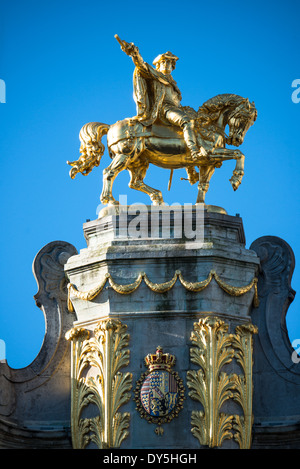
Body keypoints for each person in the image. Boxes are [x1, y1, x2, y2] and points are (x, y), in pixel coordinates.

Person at [115, 35, 207, 161]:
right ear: (158, 65)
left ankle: (190, 170)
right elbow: (141, 65)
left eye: (169, 62)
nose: (167, 64)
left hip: (175, 109)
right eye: (164, 62)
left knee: (198, 124)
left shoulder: (173, 83)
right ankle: (194, 151)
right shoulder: (154, 75)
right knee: (186, 121)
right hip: (164, 109)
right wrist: (134, 53)